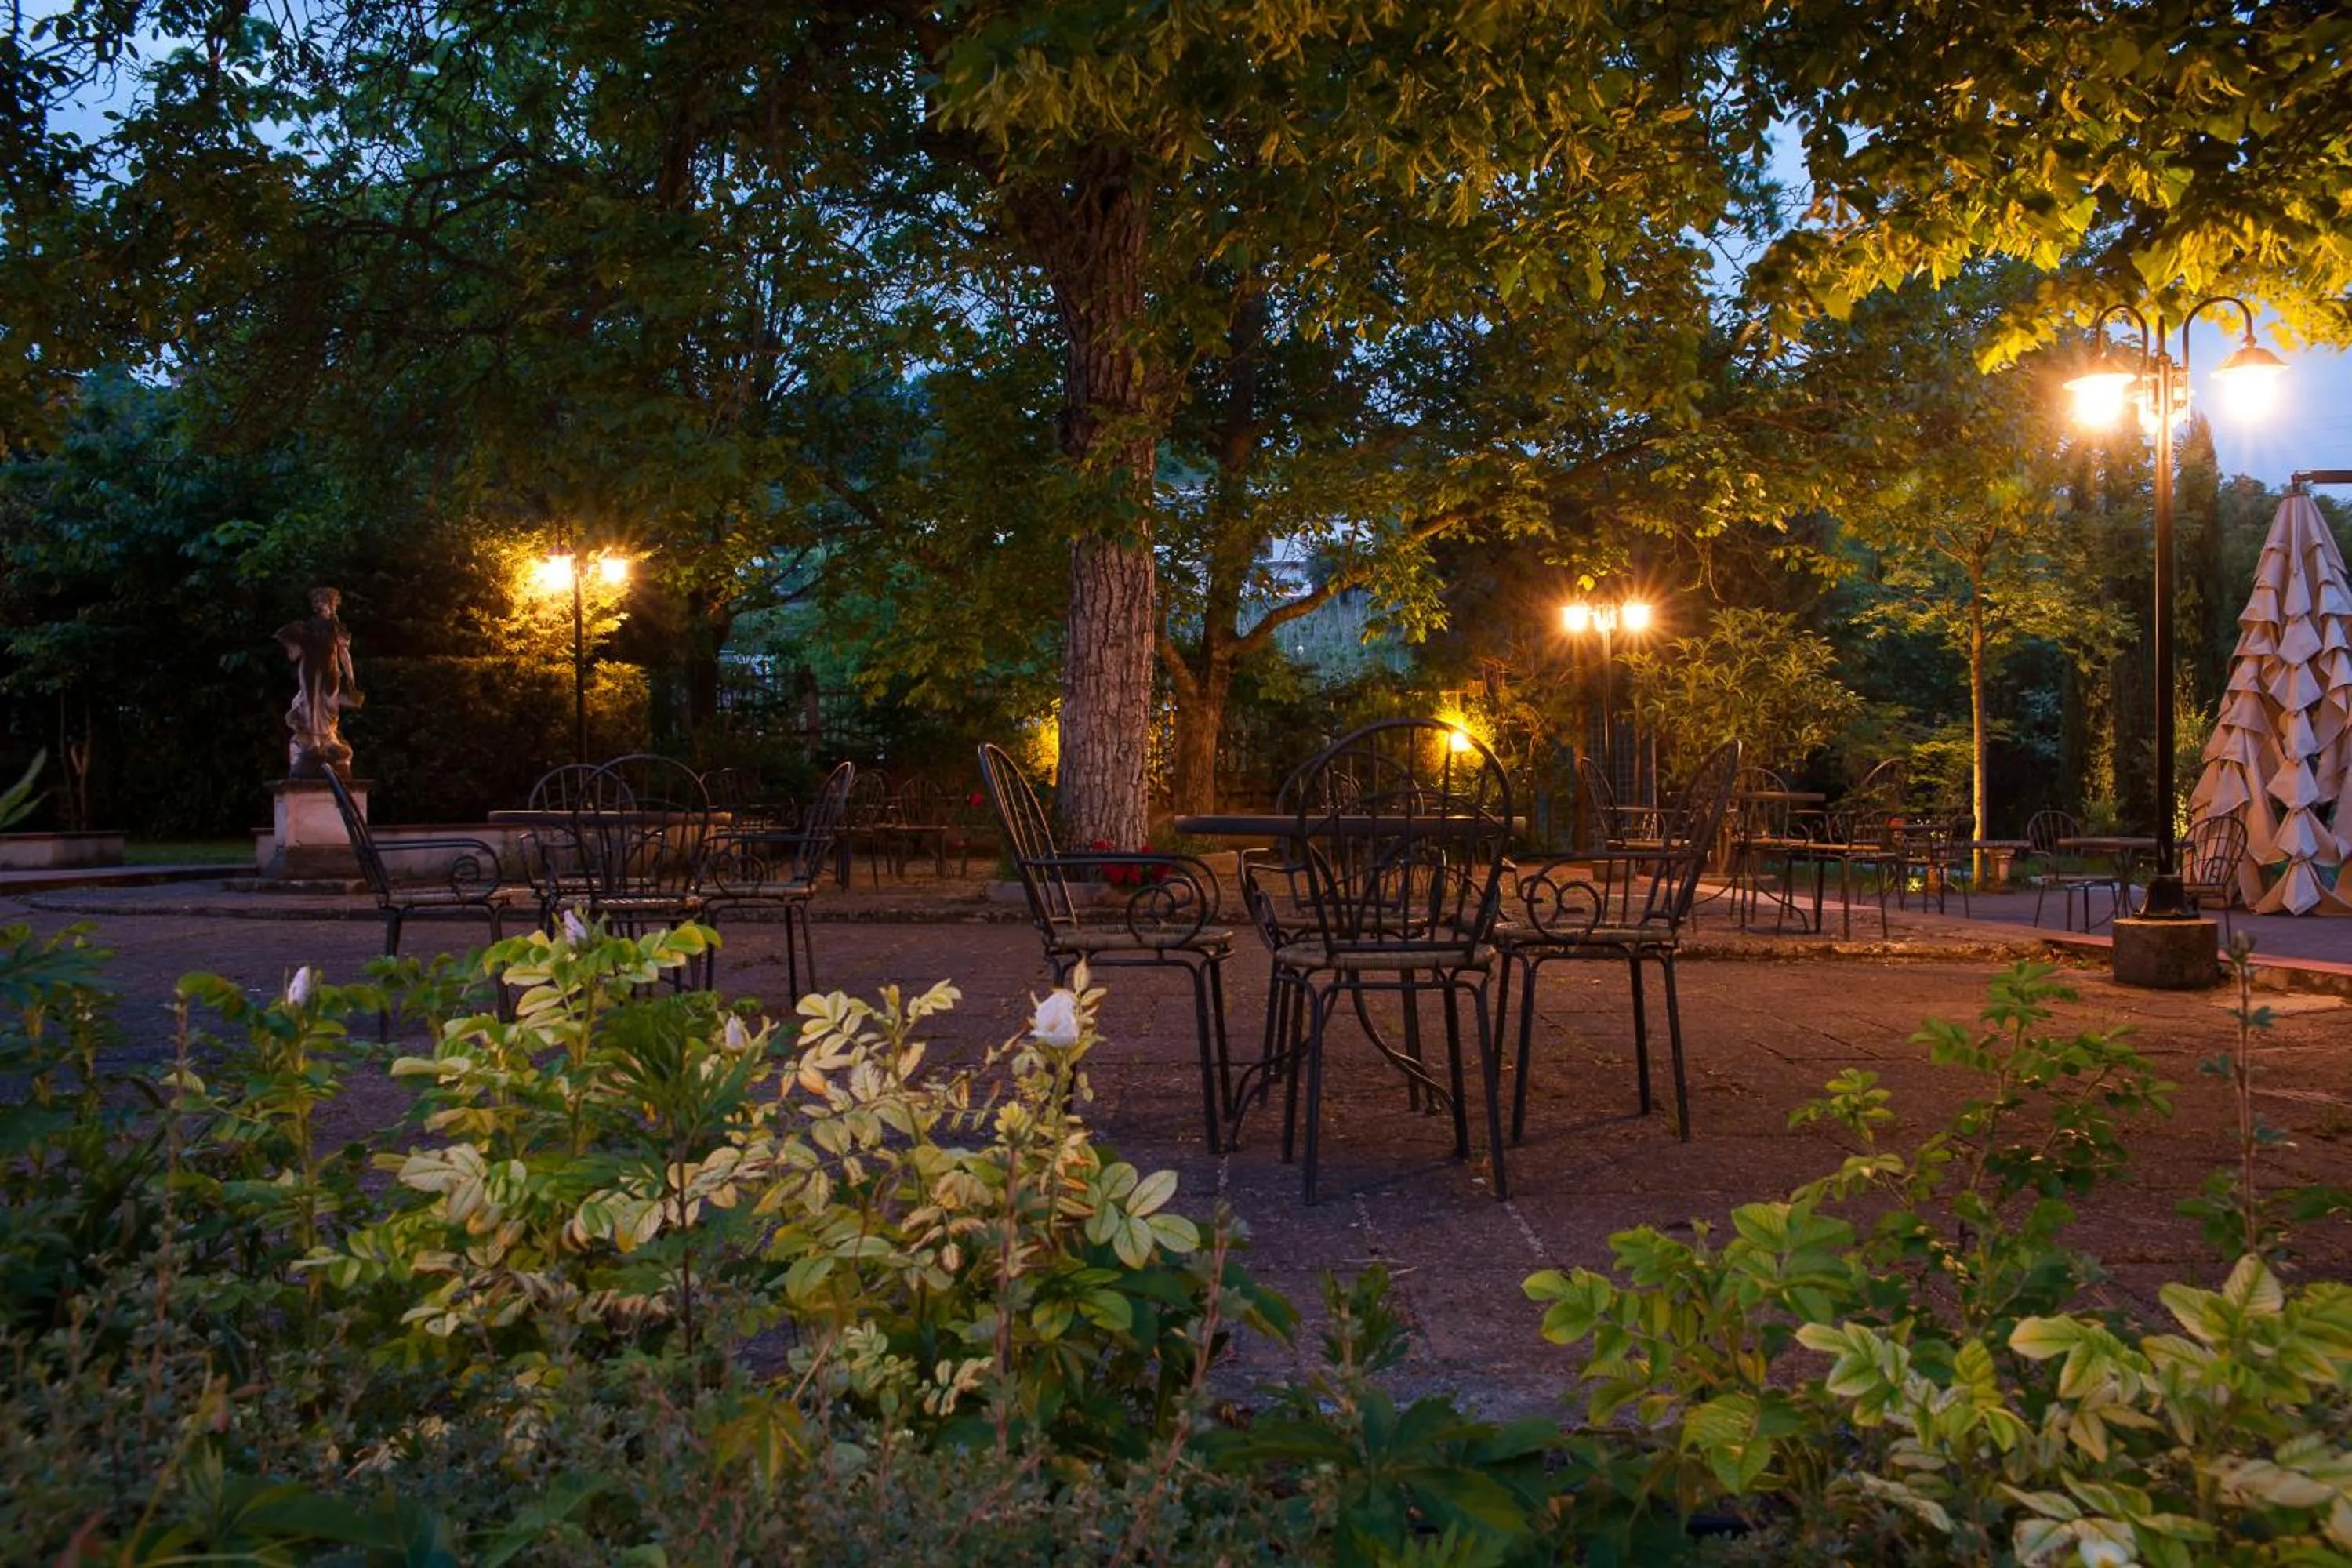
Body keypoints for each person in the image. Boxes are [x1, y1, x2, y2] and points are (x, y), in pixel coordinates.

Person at [274, 586, 363, 778]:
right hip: (310, 670)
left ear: (331, 604)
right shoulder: (308, 626)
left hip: (330, 670)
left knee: (331, 706)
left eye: (321, 600)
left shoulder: (336, 626)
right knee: (312, 704)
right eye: (315, 600)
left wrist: (351, 678)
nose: (317, 603)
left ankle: (328, 741)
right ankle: (314, 743)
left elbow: (344, 654)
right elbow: (294, 653)